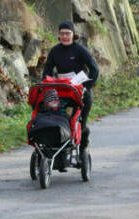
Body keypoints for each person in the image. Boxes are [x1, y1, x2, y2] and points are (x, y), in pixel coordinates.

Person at [42, 21, 99, 152]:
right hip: (62, 91)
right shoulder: (55, 51)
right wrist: (46, 83)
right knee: (57, 120)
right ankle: (60, 149)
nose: (65, 37)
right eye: (62, 34)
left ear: (73, 35)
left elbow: (94, 69)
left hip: (81, 92)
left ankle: (83, 147)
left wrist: (87, 86)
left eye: (68, 34)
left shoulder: (80, 50)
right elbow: (47, 70)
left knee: (80, 123)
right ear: (59, 35)